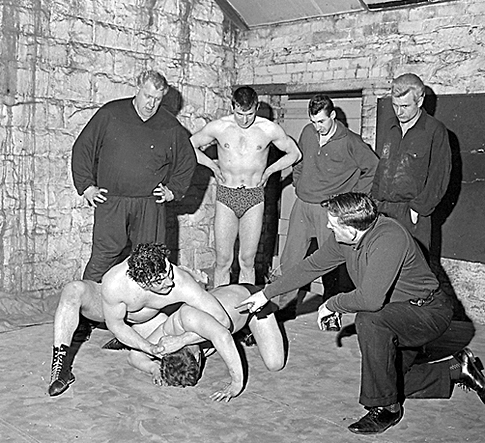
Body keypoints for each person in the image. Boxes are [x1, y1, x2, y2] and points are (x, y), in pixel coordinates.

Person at [237, 193, 485, 434]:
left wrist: (333, 304)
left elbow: (370, 299)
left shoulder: (389, 237)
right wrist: (266, 294)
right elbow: (311, 266)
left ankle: (386, 408)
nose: (327, 226)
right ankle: (458, 368)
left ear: (353, 229)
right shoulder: (345, 239)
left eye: (333, 224)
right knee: (392, 380)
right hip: (398, 311)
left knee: (369, 320)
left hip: (427, 312)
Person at [48, 243, 230, 397]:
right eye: (160, 280)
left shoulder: (182, 282)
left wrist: (181, 340)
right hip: (107, 312)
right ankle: (60, 368)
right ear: (143, 283)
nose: (169, 282)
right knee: (73, 290)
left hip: (151, 321)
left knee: (186, 348)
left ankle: (134, 342)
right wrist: (147, 347)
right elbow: (116, 326)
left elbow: (222, 319)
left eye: (169, 273)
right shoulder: (115, 281)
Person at [72, 70, 197, 283]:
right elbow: (83, 148)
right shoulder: (111, 113)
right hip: (112, 201)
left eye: (157, 99)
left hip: (149, 204)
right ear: (137, 88)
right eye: (147, 96)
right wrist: (87, 187)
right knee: (103, 257)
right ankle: (89, 311)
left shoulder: (170, 125)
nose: (151, 104)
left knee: (150, 259)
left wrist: (173, 191)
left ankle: (145, 314)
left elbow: (187, 160)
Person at [190, 86, 301, 288]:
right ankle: (221, 312)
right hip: (226, 196)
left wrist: (269, 171)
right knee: (223, 261)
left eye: (249, 114)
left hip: (254, 196)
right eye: (240, 114)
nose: (244, 120)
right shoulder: (219, 127)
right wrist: (212, 166)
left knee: (247, 262)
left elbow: (294, 153)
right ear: (232, 107)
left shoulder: (268, 129)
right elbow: (190, 145)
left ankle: (246, 315)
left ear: (256, 108)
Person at [276, 94, 378, 312]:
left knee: (332, 263)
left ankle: (332, 310)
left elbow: (373, 168)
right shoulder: (307, 132)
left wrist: (350, 201)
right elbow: (300, 160)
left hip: (329, 211)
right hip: (303, 205)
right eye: (313, 122)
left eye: (321, 121)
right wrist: (298, 181)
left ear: (332, 115)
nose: (317, 127)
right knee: (290, 260)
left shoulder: (350, 141)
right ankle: (283, 309)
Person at [126, 284, 285, 402]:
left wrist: (237, 383)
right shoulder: (166, 336)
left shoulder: (186, 318)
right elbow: (134, 356)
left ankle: (252, 323)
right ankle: (242, 333)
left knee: (275, 363)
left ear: (197, 357)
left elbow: (223, 336)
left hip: (251, 302)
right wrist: (154, 368)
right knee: (216, 335)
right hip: (218, 322)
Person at [371, 73, 451, 254]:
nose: (399, 112)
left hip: (412, 213)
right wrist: (374, 201)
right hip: (383, 210)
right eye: (395, 105)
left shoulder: (434, 130)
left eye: (405, 106)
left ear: (420, 101)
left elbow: (440, 176)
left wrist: (417, 210)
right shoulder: (390, 127)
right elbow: (381, 168)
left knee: (411, 273)